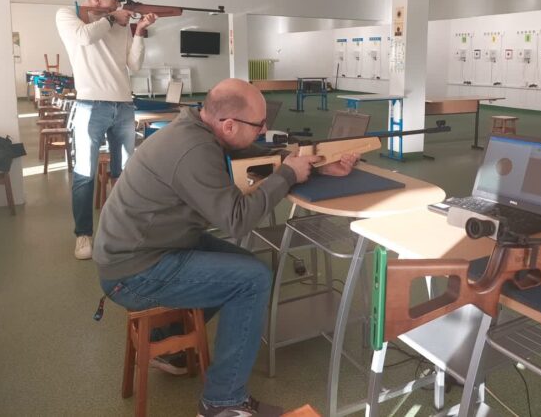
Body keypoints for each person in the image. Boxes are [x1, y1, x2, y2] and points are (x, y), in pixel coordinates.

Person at [93, 78, 358, 417]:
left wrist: (314, 165)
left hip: (151, 247)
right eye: (259, 125)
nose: (264, 130)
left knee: (242, 264)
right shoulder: (194, 150)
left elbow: (249, 153)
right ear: (229, 125)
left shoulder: (197, 128)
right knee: (252, 280)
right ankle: (222, 402)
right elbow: (237, 220)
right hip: (134, 272)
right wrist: (288, 175)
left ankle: (172, 340)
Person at [56, 0, 157, 260]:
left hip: (123, 105)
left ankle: (118, 230)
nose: (118, 3)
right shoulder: (68, 15)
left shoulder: (119, 23)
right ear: (97, 0)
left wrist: (139, 31)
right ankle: (83, 235)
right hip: (90, 106)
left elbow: (134, 64)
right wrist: (113, 18)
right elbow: (84, 38)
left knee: (123, 174)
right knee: (84, 174)